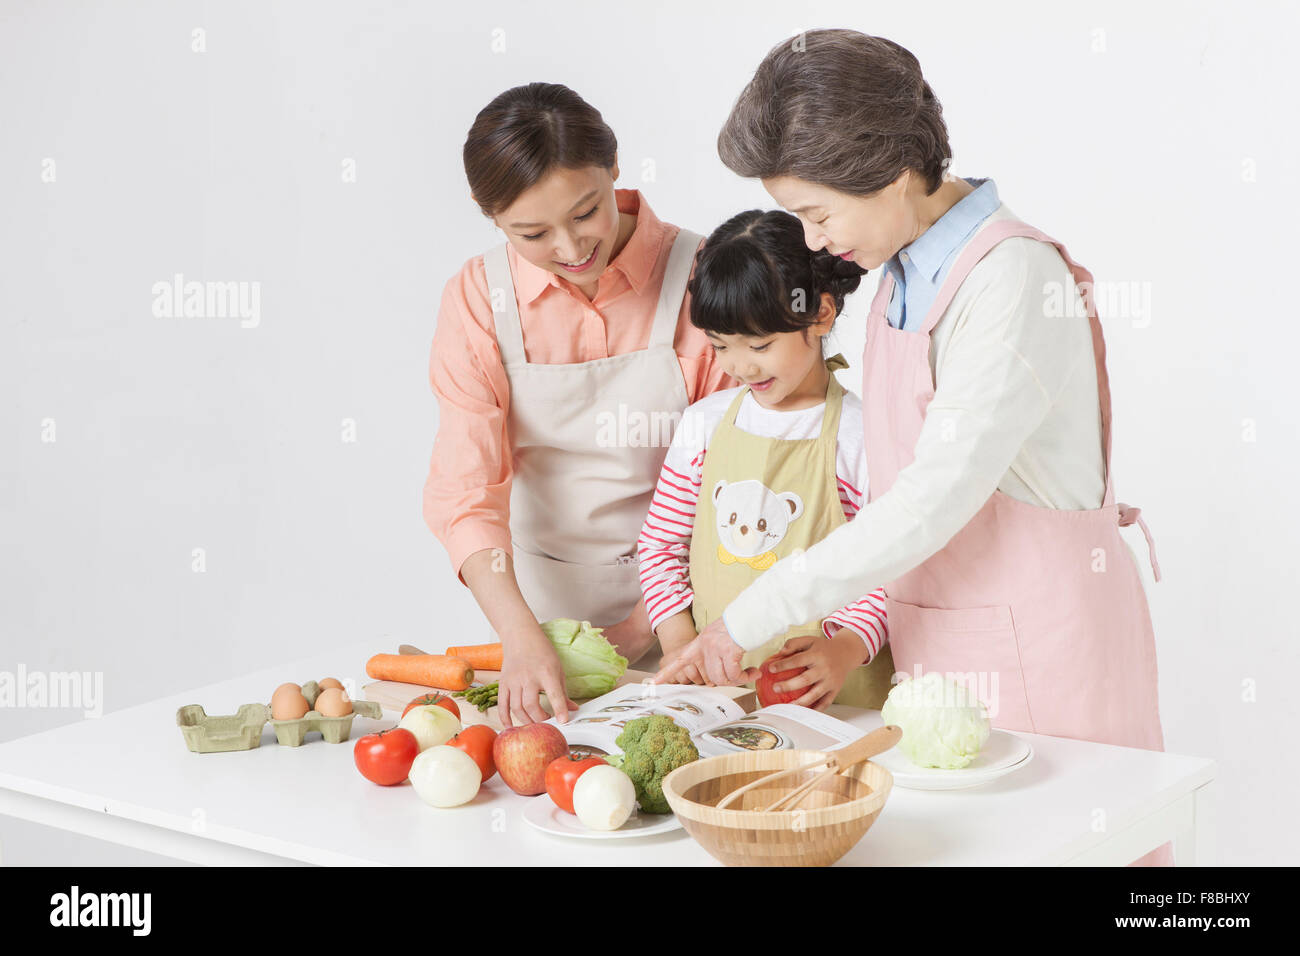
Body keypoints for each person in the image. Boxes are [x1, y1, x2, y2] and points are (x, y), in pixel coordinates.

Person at [655, 30, 1171, 866]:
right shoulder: (903, 271)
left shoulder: (1011, 280)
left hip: (1044, 657)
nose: (815, 244)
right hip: (943, 660)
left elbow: (930, 497)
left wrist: (742, 622)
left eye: (818, 214)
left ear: (892, 173)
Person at [423, 83, 732, 726]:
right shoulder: (481, 300)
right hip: (534, 626)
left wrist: (643, 631)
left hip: (691, 619)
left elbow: (729, 487)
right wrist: (520, 635)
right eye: (532, 233)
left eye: (586, 212)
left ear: (614, 166)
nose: (570, 249)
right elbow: (465, 494)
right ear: (492, 218)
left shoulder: (707, 278)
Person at [638, 210, 895, 709]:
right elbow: (660, 547)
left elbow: (890, 565)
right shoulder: (703, 425)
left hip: (832, 700)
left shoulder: (861, 435)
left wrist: (844, 650)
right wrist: (681, 650)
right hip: (719, 695)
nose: (740, 366)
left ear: (819, 314)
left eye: (759, 344)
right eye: (721, 347)